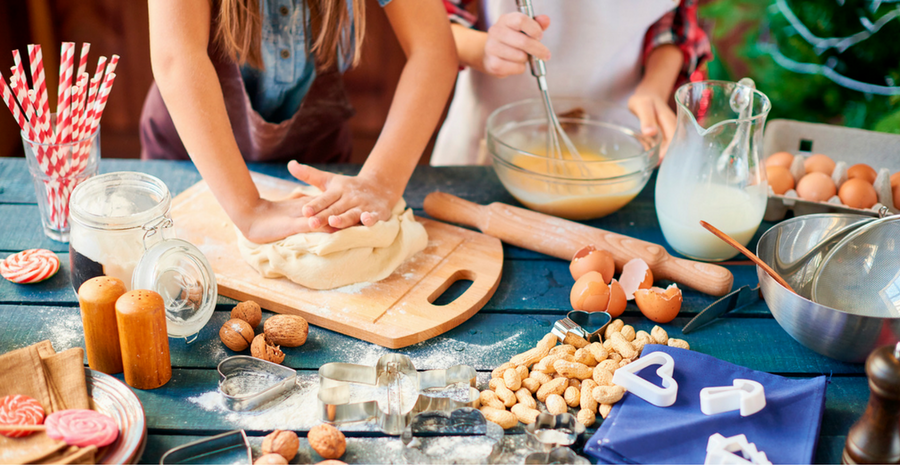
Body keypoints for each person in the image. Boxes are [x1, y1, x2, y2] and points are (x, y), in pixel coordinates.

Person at [141, 0, 457, 243]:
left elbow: (432, 51)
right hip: (188, 158)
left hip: (313, 156)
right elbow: (177, 58)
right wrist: (248, 209)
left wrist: (382, 182)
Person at [432, 0, 711, 165]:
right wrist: (485, 48)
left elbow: (673, 19)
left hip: (620, 143)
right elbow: (433, 23)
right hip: (489, 151)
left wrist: (654, 87)